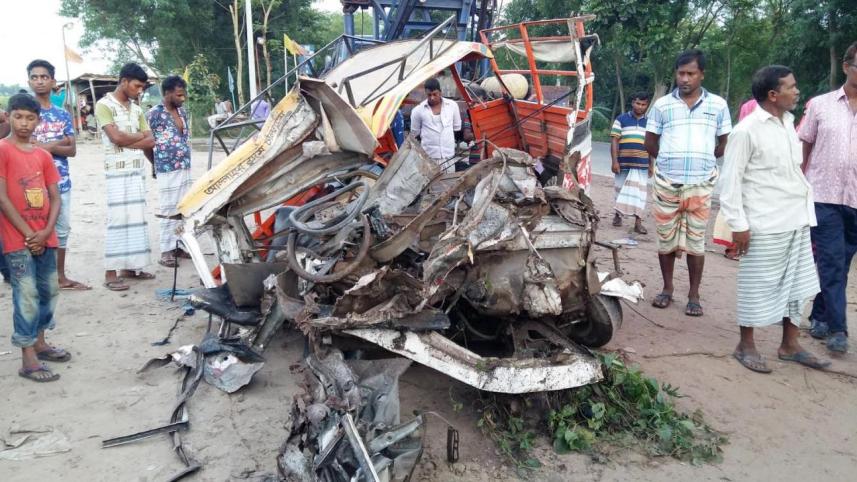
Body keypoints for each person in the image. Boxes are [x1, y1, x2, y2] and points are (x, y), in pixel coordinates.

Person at [720, 65, 829, 373]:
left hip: (796, 219)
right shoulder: (746, 130)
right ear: (773, 94)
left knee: (797, 285)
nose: (796, 91)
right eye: (790, 87)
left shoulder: (788, 123)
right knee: (757, 284)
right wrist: (738, 226)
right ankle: (746, 345)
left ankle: (790, 345)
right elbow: (730, 182)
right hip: (763, 222)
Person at [645, 49, 731, 317]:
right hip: (667, 183)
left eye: (691, 73)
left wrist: (702, 161)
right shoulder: (661, 106)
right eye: (681, 73)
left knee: (696, 242)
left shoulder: (718, 105)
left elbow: (722, 143)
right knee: (665, 240)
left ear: (701, 75)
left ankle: (694, 295)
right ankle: (667, 289)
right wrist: (671, 161)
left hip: (701, 184)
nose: (685, 79)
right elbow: (650, 142)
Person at [0, 93, 69, 382]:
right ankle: (28, 357)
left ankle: (40, 342)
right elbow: (2, 197)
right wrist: (30, 234)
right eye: (18, 116)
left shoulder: (42, 155)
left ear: (38, 121)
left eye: (30, 118)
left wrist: (45, 232)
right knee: (26, 294)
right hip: (17, 239)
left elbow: (55, 197)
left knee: (49, 290)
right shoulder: (2, 150)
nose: (24, 123)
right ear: (8, 116)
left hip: (45, 236)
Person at [798, 41, 857, 354]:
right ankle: (838, 329)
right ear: (847, 66)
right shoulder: (820, 105)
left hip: (856, 200)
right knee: (833, 260)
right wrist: (800, 185)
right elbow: (803, 145)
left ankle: (820, 314)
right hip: (824, 194)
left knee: (841, 262)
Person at [27, 59, 90, 290]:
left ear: (52, 81)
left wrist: (45, 145)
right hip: (30, 183)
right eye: (34, 77)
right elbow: (25, 148)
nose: (39, 81)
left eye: (44, 77)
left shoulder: (62, 115)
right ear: (29, 81)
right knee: (33, 230)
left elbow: (71, 150)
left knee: (61, 229)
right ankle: (34, 277)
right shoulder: (24, 113)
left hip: (60, 181)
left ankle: (60, 277)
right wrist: (58, 142)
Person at [95, 62, 156, 291]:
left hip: (136, 170)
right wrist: (137, 137)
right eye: (137, 86)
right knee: (118, 220)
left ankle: (130, 268)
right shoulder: (104, 105)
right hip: (116, 172)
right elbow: (116, 138)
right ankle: (110, 272)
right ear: (124, 81)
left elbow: (150, 141)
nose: (139, 91)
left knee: (136, 218)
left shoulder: (137, 109)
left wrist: (129, 137)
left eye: (142, 87)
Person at [147, 76, 192, 268]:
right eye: (179, 94)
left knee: (184, 207)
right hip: (166, 168)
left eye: (184, 94)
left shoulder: (182, 112)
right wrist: (155, 164)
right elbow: (147, 142)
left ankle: (179, 246)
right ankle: (166, 251)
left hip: (184, 166)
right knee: (168, 208)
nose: (183, 98)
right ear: (167, 93)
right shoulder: (154, 114)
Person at [610, 92, 652, 234]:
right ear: (632, 103)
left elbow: (652, 144)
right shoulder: (621, 119)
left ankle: (638, 222)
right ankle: (617, 215)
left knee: (640, 194)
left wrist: (652, 164)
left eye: (643, 104)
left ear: (647, 105)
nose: (640, 107)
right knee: (619, 189)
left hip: (642, 164)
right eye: (637, 103)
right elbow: (614, 141)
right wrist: (614, 161)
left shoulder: (650, 122)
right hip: (623, 162)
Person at [410, 78, 462, 173]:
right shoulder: (417, 111)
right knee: (431, 186)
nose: (432, 97)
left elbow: (456, 127)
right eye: (429, 95)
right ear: (426, 94)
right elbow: (415, 134)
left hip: (448, 157)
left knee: (449, 184)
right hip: (429, 158)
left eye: (435, 94)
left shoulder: (452, 106)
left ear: (440, 92)